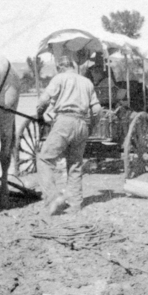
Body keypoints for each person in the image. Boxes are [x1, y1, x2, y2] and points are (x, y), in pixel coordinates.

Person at [35, 55, 101, 215]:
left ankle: (52, 198)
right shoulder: (87, 82)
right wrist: (90, 127)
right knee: (75, 164)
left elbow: (43, 101)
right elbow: (97, 109)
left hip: (64, 121)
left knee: (45, 159)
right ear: (72, 65)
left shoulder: (59, 78)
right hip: (82, 124)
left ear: (60, 67)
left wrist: (39, 115)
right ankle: (75, 203)